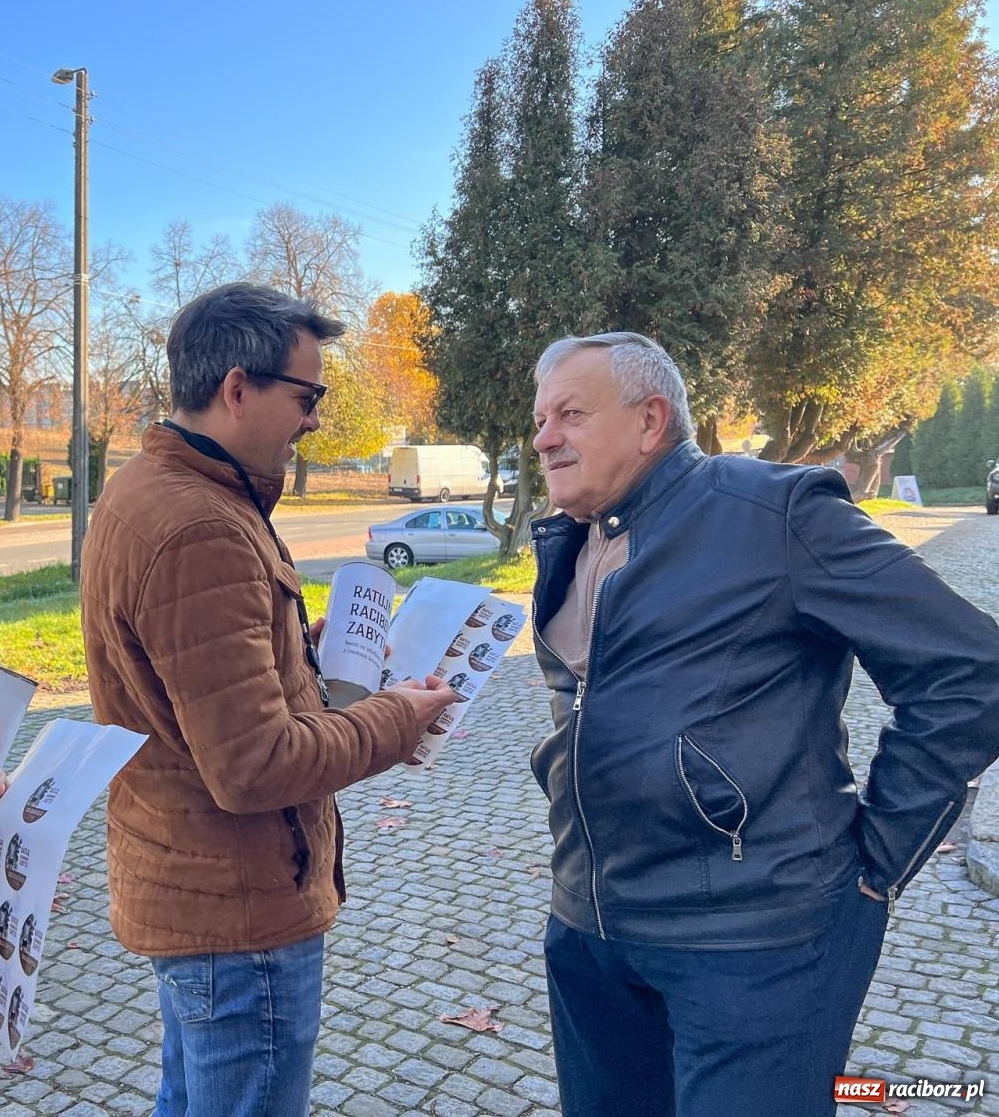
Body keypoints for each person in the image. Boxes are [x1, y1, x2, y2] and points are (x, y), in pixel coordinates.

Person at [526, 331, 999, 1117]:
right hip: (589, 931)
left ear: (650, 421)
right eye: (541, 419)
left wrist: (881, 860)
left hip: (754, 941)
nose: (544, 437)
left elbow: (970, 670)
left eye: (570, 414)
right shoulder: (573, 539)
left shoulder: (774, 512)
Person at [80, 282, 456, 1117]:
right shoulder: (202, 525)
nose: (315, 420)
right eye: (307, 396)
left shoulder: (153, 487)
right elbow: (253, 766)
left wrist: (295, 646)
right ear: (238, 388)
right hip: (238, 914)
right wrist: (396, 718)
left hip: (196, 890)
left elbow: (186, 677)